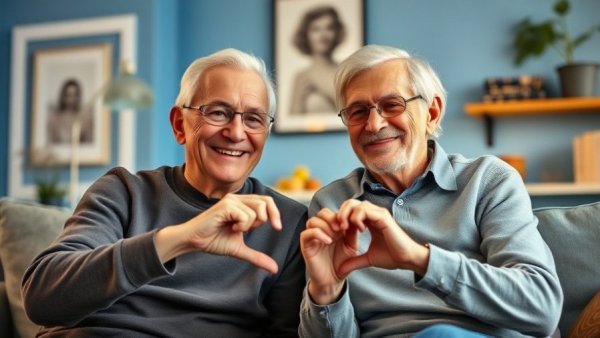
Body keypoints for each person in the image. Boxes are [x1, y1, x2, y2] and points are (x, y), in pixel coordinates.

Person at [21, 48, 307, 337]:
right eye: (218, 113)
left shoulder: (288, 223)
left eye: (254, 119)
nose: (235, 132)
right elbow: (41, 299)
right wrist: (179, 238)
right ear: (179, 124)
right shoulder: (123, 191)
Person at [298, 45, 563, 337]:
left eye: (392, 104)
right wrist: (325, 292)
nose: (373, 124)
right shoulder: (332, 204)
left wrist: (418, 259)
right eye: (358, 111)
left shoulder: (488, 180)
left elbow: (542, 308)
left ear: (432, 113)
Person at [289, 5, 345, 115]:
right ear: (306, 35)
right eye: (316, 29)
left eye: (329, 28)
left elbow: (352, 112)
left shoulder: (346, 71)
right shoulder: (301, 77)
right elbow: (292, 121)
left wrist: (321, 85)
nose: (323, 35)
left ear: (337, 32)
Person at [47, 78, 94, 144]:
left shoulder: (84, 119)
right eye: (68, 95)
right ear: (63, 97)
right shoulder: (56, 119)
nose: (72, 99)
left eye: (75, 95)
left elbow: (88, 143)